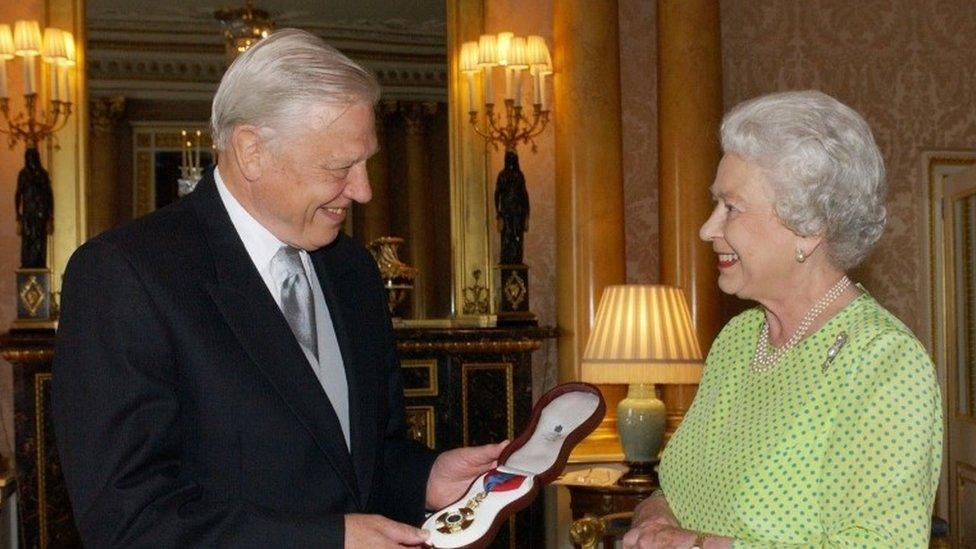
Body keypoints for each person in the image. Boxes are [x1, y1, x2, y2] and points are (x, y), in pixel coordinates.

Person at [52, 29, 505, 548]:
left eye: (366, 162)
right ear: (251, 151)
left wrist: (424, 480)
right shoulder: (127, 275)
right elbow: (126, 520)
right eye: (339, 167)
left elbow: (357, 459)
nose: (363, 190)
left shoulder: (352, 269)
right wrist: (326, 540)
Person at [623, 90, 942, 548]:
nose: (707, 229)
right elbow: (678, 488)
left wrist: (692, 545)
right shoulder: (739, 338)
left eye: (730, 207)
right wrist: (654, 516)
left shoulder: (884, 364)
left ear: (809, 227)